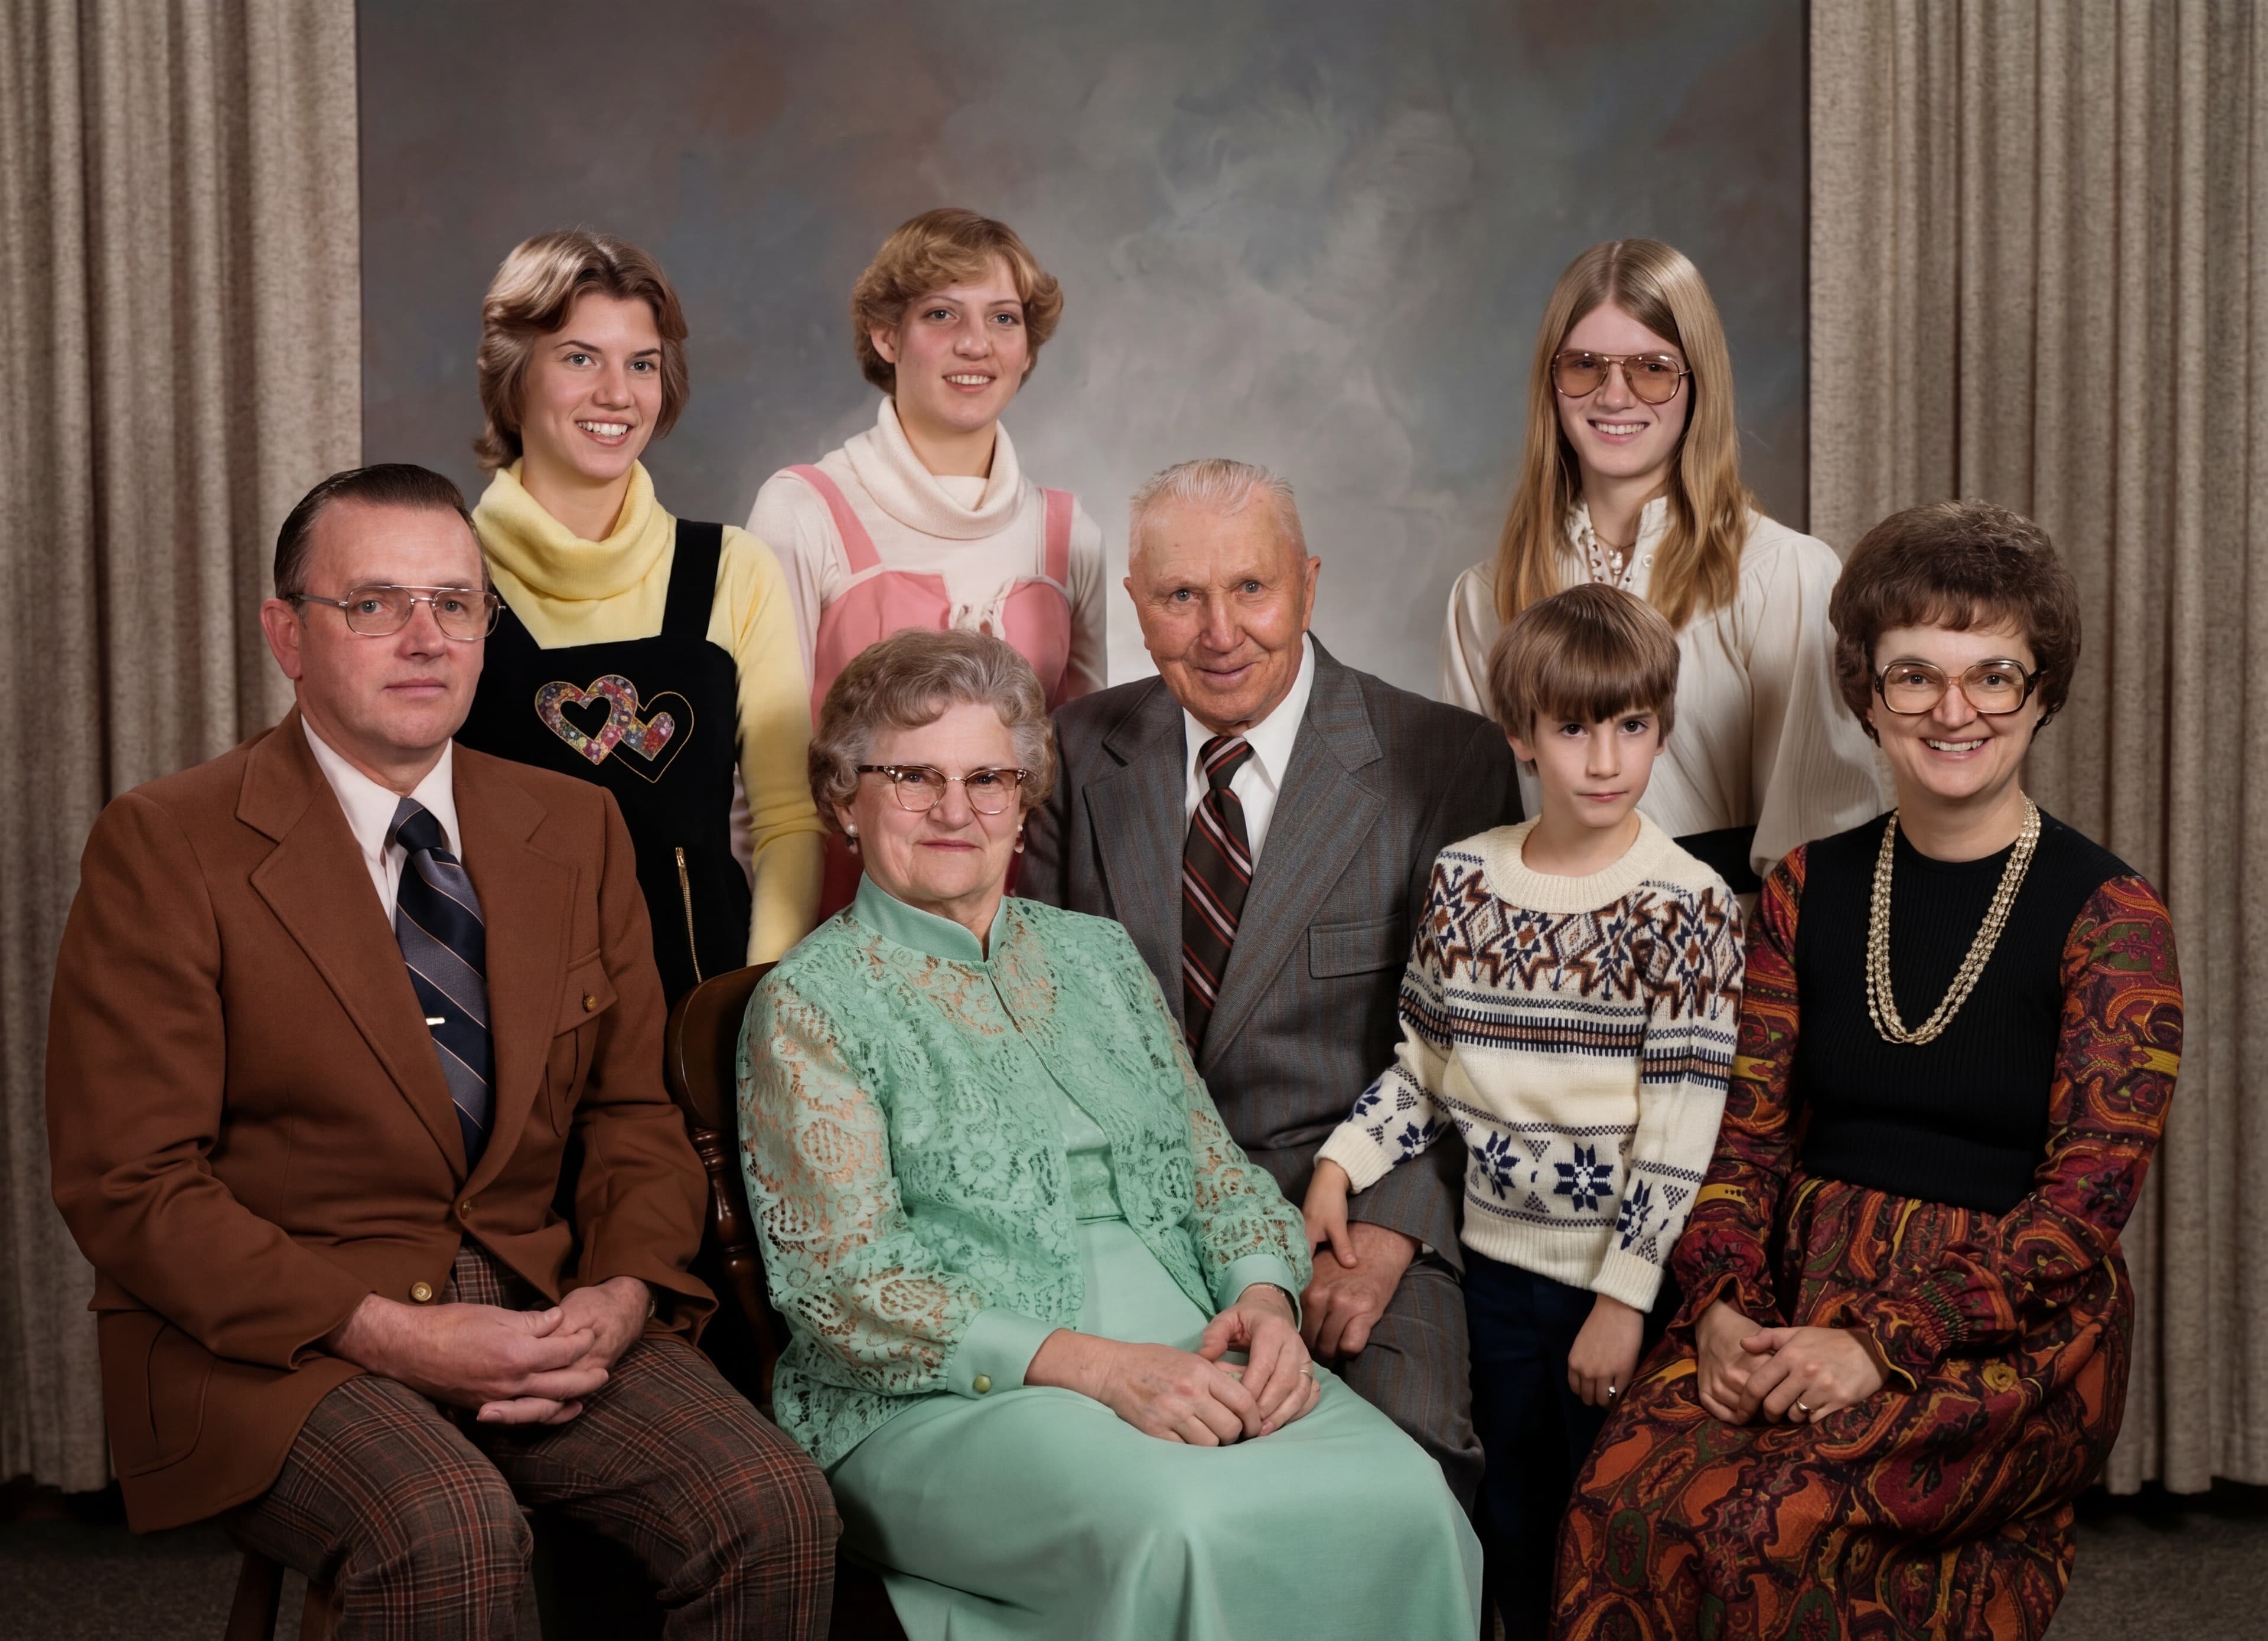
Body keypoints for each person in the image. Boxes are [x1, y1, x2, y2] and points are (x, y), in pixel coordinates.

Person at [44, 465, 838, 1638]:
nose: (424, 638)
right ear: (287, 635)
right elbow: (133, 1185)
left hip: (538, 1303)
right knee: (449, 1525)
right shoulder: (167, 845)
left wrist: (622, 1294)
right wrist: (394, 1333)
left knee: (773, 1504)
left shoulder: (574, 827)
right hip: (287, 1337)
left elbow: (632, 1115)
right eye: (374, 604)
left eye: (455, 604)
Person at [738, 628, 1481, 1641]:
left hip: (1195, 1347)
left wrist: (1267, 1302)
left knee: (1409, 1501)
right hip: (941, 1400)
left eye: (989, 778)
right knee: (1188, 1525)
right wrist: (1102, 1367)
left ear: (1021, 798)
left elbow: (1215, 1174)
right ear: (844, 799)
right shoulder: (809, 1003)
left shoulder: (1096, 957)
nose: (957, 809)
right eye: (914, 776)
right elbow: (847, 1288)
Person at [1553, 501, 2184, 1640]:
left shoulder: (2113, 914)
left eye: (1995, 674)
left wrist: (1879, 1341)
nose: (1954, 711)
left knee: (1774, 1525)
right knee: (1618, 1495)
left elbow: (2082, 1206)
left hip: (2010, 1320)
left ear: (2043, 691)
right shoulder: (1801, 887)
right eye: (1914, 677)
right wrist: (1726, 1305)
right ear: (1865, 693)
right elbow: (1746, 1140)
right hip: (1799, 1276)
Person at [1020, 458, 1524, 1510]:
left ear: (1309, 581)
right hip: (1132, 1222)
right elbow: (1037, 1023)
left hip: (1345, 1209)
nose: (1219, 631)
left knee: (1408, 1463)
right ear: (1134, 606)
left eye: (1251, 587)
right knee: (1110, 1480)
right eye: (1180, 595)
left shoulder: (1442, 758)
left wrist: (1390, 1229)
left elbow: (1475, 1048)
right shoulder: (1074, 749)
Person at [1306, 582, 1742, 1640]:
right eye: (1575, 726)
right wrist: (1338, 1165)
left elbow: (1684, 1125)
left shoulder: (1688, 903)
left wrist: (1627, 1297)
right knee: (1513, 1514)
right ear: (1521, 734)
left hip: (1615, 1283)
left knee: (1615, 1529)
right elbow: (1424, 1069)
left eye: (1632, 725)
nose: (1605, 758)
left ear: (1663, 726)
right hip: (1496, 1273)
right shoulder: (1465, 879)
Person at [1439, 238, 1882, 892]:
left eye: (1652, 368)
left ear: (1697, 382)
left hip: (1726, 967)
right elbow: (1475, 845)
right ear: (1551, 382)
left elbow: (1820, 853)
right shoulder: (1484, 598)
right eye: (1585, 365)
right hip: (1540, 976)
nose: (1615, 396)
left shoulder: (1786, 576)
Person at [455, 230, 822, 1000]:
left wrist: (754, 1006)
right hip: (508, 1025)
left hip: (700, 1013)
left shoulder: (733, 570)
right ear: (516, 375)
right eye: (580, 357)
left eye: (642, 364)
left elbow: (788, 820)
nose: (618, 394)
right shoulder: (448, 580)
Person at [749, 208, 1106, 916]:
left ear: (1029, 348)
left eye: (1004, 319)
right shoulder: (804, 511)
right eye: (942, 314)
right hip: (840, 932)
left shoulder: (1069, 536)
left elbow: (1085, 783)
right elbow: (762, 785)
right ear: (887, 336)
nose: (976, 344)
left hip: (1022, 940)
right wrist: (777, 964)